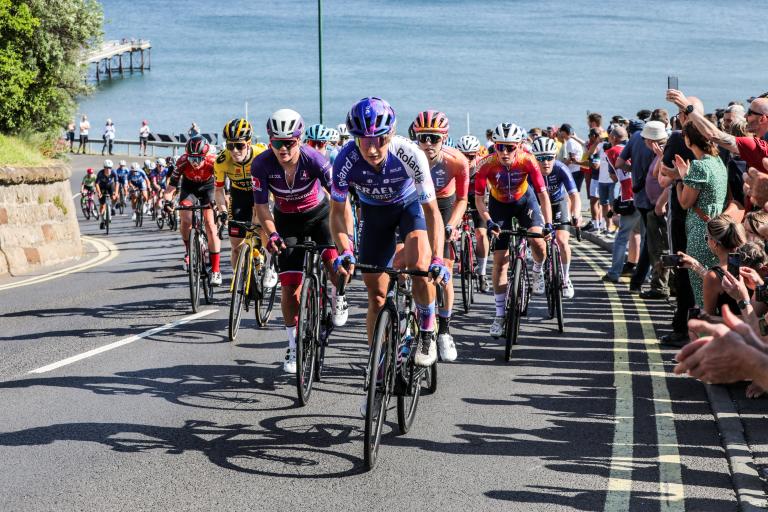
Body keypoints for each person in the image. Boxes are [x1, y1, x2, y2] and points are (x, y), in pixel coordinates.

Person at [330, 97, 448, 377]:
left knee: (421, 269)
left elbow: (432, 213)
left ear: (392, 134)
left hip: (409, 209)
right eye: (364, 140)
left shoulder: (409, 154)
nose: (372, 149)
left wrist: (438, 257)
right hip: (375, 215)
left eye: (380, 140)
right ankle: (378, 365)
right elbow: (336, 213)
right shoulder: (345, 159)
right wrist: (344, 249)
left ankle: (428, 329)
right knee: (377, 295)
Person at [252, 109, 349, 374]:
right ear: (270, 141)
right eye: (277, 143)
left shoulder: (315, 160)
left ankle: (338, 294)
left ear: (299, 139)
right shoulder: (261, 165)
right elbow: (262, 209)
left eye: (289, 142)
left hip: (320, 215)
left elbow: (341, 202)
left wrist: (347, 242)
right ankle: (293, 346)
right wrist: (271, 234)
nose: (283, 149)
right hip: (287, 221)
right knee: (290, 287)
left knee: (335, 266)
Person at [474, 122, 552, 338]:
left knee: (538, 241)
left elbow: (543, 194)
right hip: (499, 206)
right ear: (495, 146)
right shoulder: (485, 165)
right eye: (500, 147)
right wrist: (489, 221)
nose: (505, 152)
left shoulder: (528, 160)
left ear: (519, 145)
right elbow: (479, 200)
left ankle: (537, 270)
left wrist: (549, 223)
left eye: (510, 147)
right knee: (500, 262)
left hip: (525, 201)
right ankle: (499, 315)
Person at [412, 110, 469, 362]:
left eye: (434, 138)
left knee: (443, 271)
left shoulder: (456, 161)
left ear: (444, 138)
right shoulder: (408, 157)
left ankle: (444, 330)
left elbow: (463, 199)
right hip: (415, 203)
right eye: (422, 138)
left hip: (444, 205)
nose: (427, 144)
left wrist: (452, 225)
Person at [673, 121, 728, 307]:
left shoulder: (699, 165)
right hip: (716, 228)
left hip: (699, 231)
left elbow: (685, 202)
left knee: (701, 289)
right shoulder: (718, 161)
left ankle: (704, 328)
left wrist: (681, 180)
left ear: (689, 140)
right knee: (714, 285)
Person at [213, 118, 271, 280]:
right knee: (236, 245)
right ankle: (238, 278)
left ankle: (270, 265)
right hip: (238, 195)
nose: (235, 151)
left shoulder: (261, 155)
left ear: (249, 143)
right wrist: (222, 210)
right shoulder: (222, 161)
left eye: (240, 145)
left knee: (260, 225)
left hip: (261, 194)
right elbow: (218, 190)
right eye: (230, 146)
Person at [164, 135, 222, 285]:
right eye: (192, 159)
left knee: (210, 224)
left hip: (208, 188)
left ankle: (216, 270)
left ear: (205, 156)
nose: (195, 163)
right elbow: (171, 188)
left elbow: (221, 186)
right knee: (185, 220)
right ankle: (189, 251)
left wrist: (217, 204)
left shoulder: (213, 162)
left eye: (198, 159)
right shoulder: (182, 162)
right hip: (189, 189)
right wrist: (167, 202)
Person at [531, 136, 581, 298]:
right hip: (537, 205)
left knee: (562, 241)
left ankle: (566, 278)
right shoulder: (530, 171)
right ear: (535, 158)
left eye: (549, 158)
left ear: (555, 157)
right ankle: (538, 269)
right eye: (541, 158)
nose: (546, 162)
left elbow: (574, 195)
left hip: (558, 203)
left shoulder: (561, 169)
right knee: (537, 240)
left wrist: (576, 214)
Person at [456, 134, 490, 292]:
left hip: (478, 198)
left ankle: (482, 272)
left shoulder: (482, 166)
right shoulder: (454, 165)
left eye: (470, 156)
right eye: (463, 155)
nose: (467, 159)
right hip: (459, 198)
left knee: (481, 235)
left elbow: (490, 188)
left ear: (477, 154)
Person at [94, 160, 118, 229]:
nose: (108, 169)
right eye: (106, 168)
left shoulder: (114, 172)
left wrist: (116, 192)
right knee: (102, 206)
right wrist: (99, 193)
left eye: (110, 168)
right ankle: (102, 221)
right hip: (102, 187)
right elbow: (97, 184)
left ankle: (112, 208)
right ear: (104, 168)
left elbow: (117, 183)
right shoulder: (100, 173)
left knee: (115, 197)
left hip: (110, 186)